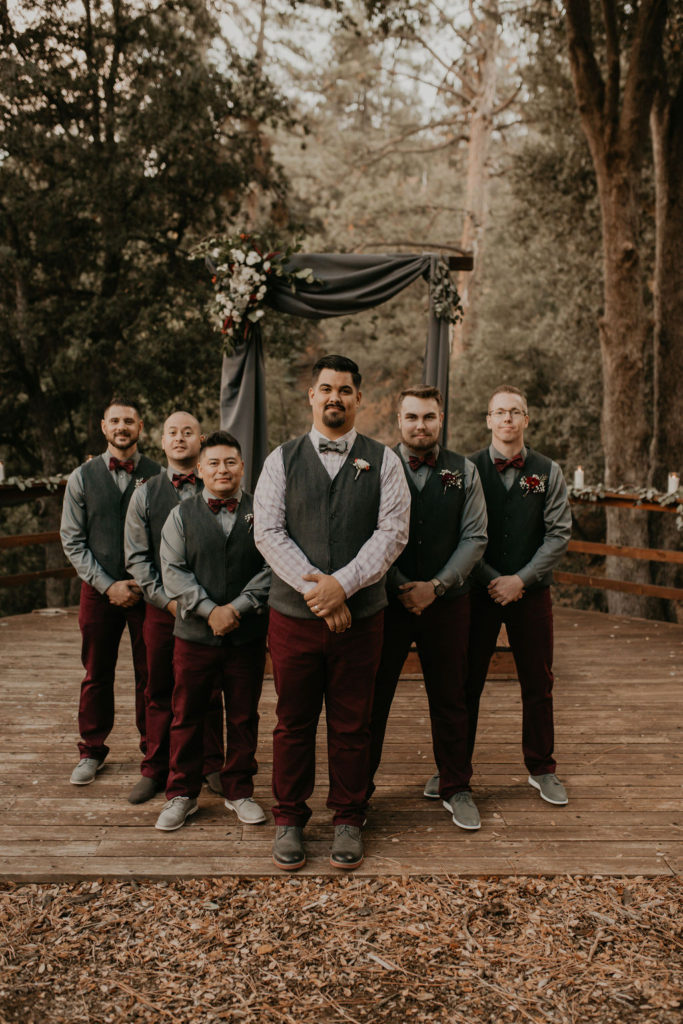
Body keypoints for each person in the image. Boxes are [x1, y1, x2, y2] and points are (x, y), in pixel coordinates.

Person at [254, 354, 410, 871]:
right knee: (292, 721)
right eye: (326, 388)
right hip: (293, 620)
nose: (334, 398)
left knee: (352, 723)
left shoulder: (385, 461)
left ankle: (348, 817)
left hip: (361, 620)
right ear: (311, 395)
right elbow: (268, 532)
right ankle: (289, 820)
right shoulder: (280, 459)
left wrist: (342, 586)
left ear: (359, 398)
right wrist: (318, 595)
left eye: (345, 389)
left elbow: (392, 534)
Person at [368, 386, 488, 829]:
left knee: (451, 696)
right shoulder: (376, 466)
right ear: (399, 420)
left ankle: (456, 787)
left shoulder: (465, 471)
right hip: (386, 601)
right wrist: (400, 584)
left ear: (441, 421)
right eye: (413, 417)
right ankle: (357, 793)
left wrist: (435, 586)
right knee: (374, 696)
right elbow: (369, 532)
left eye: (429, 417)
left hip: (448, 602)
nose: (421, 425)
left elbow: (475, 537)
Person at [458, 384, 572, 806]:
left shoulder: (548, 471)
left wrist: (520, 580)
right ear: (488, 419)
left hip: (532, 593)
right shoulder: (466, 470)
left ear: (527, 419)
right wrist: (492, 578)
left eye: (515, 412)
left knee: (538, 683)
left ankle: (542, 768)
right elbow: (461, 532)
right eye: (499, 412)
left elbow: (558, 534)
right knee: (465, 682)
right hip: (478, 591)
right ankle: (454, 770)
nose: (507, 419)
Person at [155, 430, 270, 831]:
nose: (223, 470)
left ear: (242, 467)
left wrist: (236, 609)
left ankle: (239, 791)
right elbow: (173, 571)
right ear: (201, 469)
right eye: (215, 463)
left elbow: (271, 567)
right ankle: (181, 794)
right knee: (186, 715)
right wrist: (209, 610)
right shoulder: (180, 516)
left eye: (231, 462)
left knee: (243, 715)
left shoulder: (265, 512)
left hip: (246, 635)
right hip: (193, 636)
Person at [124, 411, 225, 805]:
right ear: (162, 442)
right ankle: (155, 767)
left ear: (200, 441)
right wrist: (166, 600)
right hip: (160, 609)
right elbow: (136, 558)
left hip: (208, 611)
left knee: (210, 686)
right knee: (158, 686)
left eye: (188, 432)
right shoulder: (144, 492)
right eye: (172, 432)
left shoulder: (220, 484)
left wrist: (208, 605)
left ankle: (213, 763)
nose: (180, 438)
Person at [60, 397, 162, 785]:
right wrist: (107, 585)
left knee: (150, 673)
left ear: (141, 428)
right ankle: (91, 749)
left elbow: (167, 535)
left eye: (129, 421)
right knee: (96, 672)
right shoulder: (81, 478)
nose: (122, 427)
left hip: (146, 591)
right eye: (115, 421)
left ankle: (153, 750)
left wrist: (143, 581)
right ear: (104, 427)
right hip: (97, 590)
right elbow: (72, 541)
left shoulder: (158, 475)